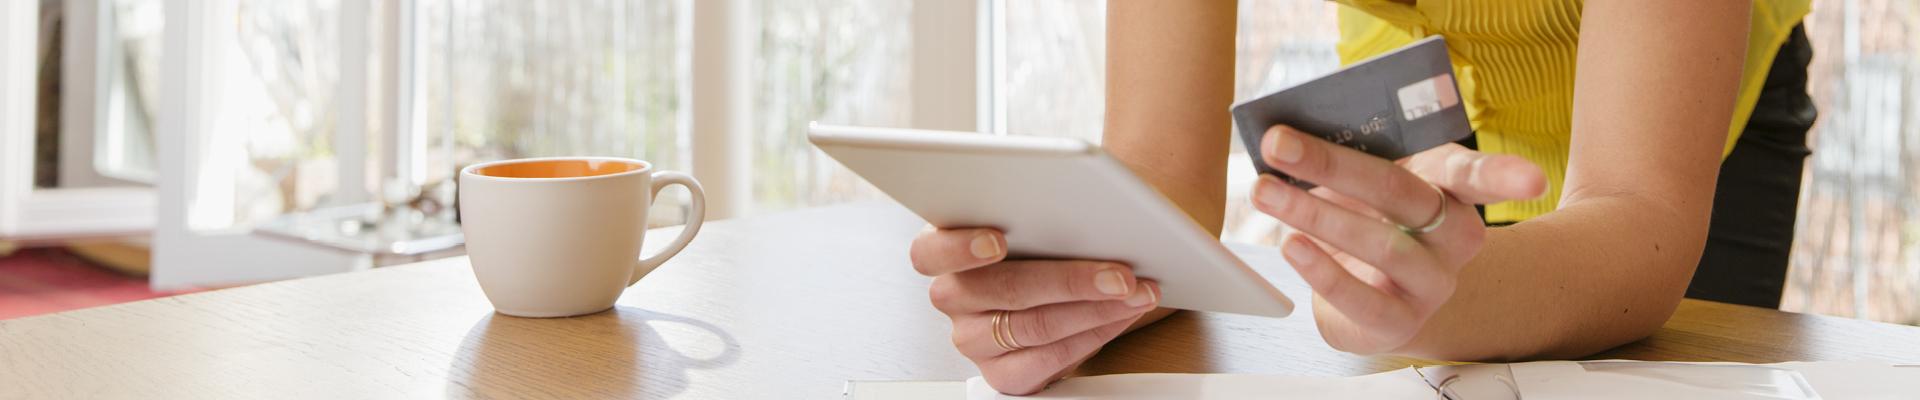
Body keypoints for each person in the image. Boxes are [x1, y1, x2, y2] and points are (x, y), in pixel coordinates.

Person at [909, 0, 1817, 395]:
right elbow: (1163, 170)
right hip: (1420, 88)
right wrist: (1079, 283)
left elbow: (1640, 211)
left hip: (1686, 113)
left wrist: (1428, 304)